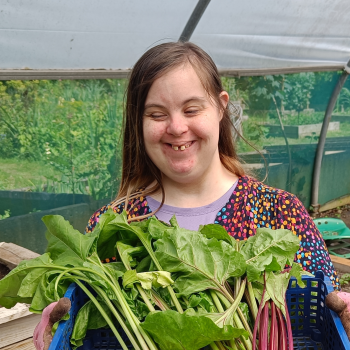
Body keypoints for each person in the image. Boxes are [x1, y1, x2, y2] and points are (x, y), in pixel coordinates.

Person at [34, 41, 338, 350]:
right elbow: (84, 315)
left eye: (191, 109)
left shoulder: (279, 213)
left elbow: (326, 309)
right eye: (156, 114)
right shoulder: (112, 226)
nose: (177, 127)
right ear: (138, 122)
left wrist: (345, 309)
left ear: (220, 107)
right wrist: (58, 320)